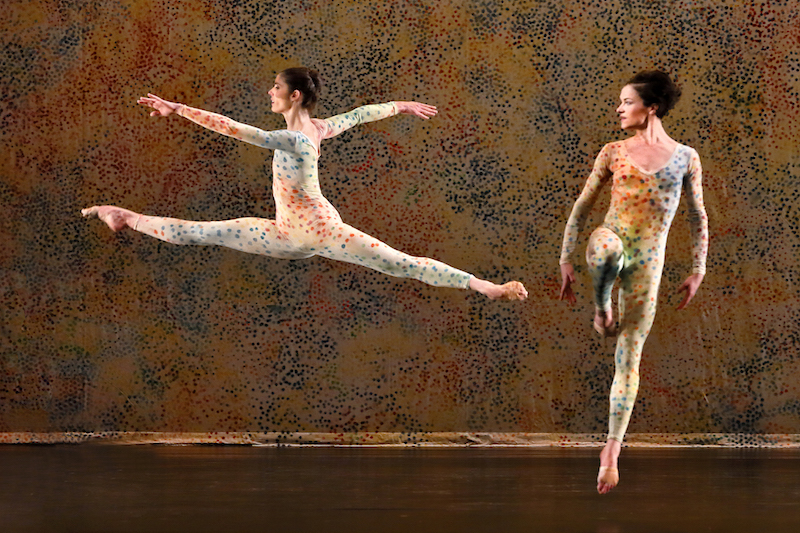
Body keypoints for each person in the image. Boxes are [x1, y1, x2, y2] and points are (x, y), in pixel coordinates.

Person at [83, 67, 527, 301]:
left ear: (294, 95)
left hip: (320, 230)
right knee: (199, 233)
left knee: (400, 263)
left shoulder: (296, 139)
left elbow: (236, 129)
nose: (269, 92)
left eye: (275, 87)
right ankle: (123, 216)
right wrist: (399, 105)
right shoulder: (318, 128)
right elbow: (360, 115)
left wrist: (179, 109)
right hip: (283, 233)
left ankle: (485, 286)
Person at [558, 70, 708, 494]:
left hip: (648, 265)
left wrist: (697, 269)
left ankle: (611, 451)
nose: (619, 109)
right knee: (608, 250)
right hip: (608, 242)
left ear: (651, 107)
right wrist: (566, 258)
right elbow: (582, 206)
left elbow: (697, 217)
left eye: (627, 102)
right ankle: (602, 305)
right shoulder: (613, 152)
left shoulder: (686, 158)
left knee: (629, 359)